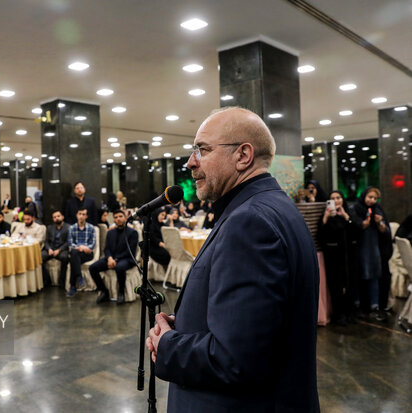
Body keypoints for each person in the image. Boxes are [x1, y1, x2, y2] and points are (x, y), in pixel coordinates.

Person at [146, 107, 320, 413]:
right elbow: (257, 324)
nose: (190, 162)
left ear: (243, 156)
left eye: (202, 149)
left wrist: (168, 346)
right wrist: (188, 323)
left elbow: (236, 360)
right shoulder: (272, 207)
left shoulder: (249, 222)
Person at [318, 191, 362, 326]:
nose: (336, 201)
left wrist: (345, 216)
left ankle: (350, 313)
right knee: (336, 287)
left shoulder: (348, 213)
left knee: (350, 285)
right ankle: (338, 315)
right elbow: (321, 236)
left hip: (349, 256)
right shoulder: (327, 216)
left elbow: (356, 230)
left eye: (338, 198)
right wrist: (325, 218)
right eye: (332, 198)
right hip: (333, 257)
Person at [351, 187, 392, 320]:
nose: (372, 200)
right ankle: (357, 305)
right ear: (364, 196)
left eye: (375, 198)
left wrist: (379, 223)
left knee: (374, 275)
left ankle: (374, 306)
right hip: (359, 248)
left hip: (374, 249)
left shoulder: (378, 209)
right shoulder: (355, 208)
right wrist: (363, 224)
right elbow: (352, 227)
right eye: (370, 197)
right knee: (359, 276)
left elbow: (386, 231)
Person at [88, 210, 138, 305]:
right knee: (92, 268)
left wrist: (115, 260)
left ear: (125, 218)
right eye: (115, 217)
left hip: (127, 259)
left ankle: (121, 292)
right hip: (112, 259)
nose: (118, 219)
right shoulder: (110, 233)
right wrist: (110, 258)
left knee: (119, 267)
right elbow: (106, 249)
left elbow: (130, 251)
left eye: (120, 216)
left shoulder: (132, 233)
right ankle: (104, 291)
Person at [67, 208, 96, 297]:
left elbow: (93, 243)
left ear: (86, 216)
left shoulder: (91, 228)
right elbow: (70, 243)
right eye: (80, 214)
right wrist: (79, 247)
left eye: (83, 214)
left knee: (73, 257)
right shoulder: (72, 228)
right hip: (76, 251)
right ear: (77, 215)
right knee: (74, 256)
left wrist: (84, 248)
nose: (81, 216)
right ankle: (78, 279)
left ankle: (73, 287)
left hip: (87, 253)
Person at [41, 210, 70, 287]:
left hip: (62, 250)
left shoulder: (69, 227)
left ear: (62, 217)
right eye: (54, 217)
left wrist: (59, 250)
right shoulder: (50, 227)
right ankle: (47, 280)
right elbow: (46, 241)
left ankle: (62, 281)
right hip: (51, 249)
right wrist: (49, 249)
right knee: (39, 257)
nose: (56, 218)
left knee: (65, 257)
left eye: (58, 216)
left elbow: (68, 242)